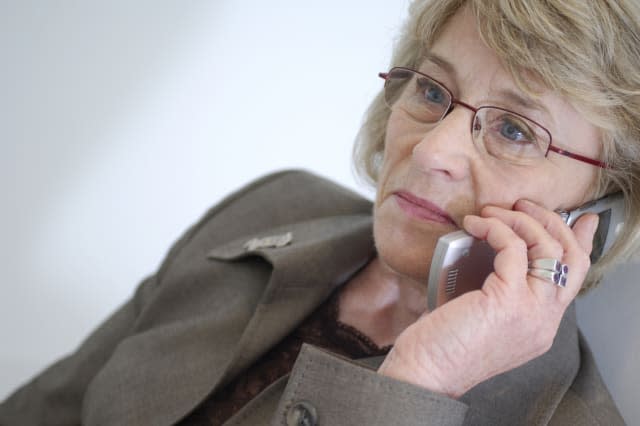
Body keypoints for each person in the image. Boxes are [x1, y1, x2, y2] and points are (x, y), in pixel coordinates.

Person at [1, 0, 637, 424]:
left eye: (517, 131)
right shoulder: (276, 206)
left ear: (601, 209)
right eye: (433, 90)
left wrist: (419, 381)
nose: (432, 149)